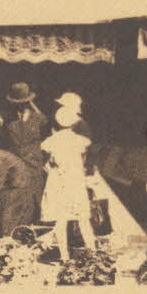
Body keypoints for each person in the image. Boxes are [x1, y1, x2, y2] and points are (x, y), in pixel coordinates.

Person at [41, 106, 96, 261]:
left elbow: (47, 164)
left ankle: (64, 256)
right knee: (83, 219)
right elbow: (83, 162)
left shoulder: (50, 142)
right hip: (75, 181)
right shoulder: (81, 142)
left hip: (58, 181)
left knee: (61, 220)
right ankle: (93, 252)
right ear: (73, 123)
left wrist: (53, 167)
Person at [3, 82, 49, 216]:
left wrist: (38, 158)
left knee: (37, 196)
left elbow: (46, 143)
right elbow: (4, 143)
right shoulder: (8, 120)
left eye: (23, 102)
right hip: (16, 165)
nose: (20, 105)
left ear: (28, 101)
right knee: (19, 198)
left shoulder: (40, 119)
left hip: (35, 164)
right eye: (17, 103)